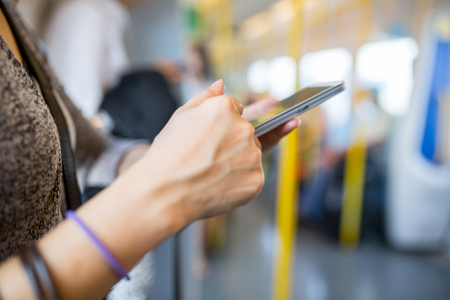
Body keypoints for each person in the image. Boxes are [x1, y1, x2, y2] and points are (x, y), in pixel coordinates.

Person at [0, 0, 300, 299]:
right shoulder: (84, 15)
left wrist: (190, 148)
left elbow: (84, 145)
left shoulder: (13, 20)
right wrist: (165, 189)